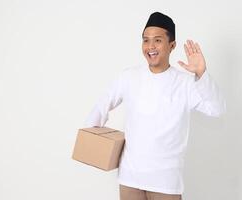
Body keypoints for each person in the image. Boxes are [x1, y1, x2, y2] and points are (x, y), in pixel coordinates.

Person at [84, 12, 226, 200]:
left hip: (165, 182)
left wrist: (202, 74)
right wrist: (88, 139)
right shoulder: (129, 76)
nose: (150, 46)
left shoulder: (186, 83)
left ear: (172, 45)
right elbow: (103, 103)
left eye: (157, 40)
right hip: (130, 179)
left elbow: (217, 109)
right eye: (145, 40)